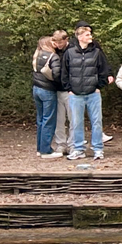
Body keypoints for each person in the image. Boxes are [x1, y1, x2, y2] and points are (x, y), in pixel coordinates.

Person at [61, 22, 113, 161]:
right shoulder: (69, 53)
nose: (91, 36)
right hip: (75, 94)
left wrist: (98, 86)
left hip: (93, 94)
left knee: (96, 122)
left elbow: (103, 70)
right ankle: (78, 149)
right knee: (76, 122)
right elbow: (64, 72)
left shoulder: (96, 52)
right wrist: (69, 89)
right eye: (87, 34)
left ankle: (98, 149)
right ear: (80, 37)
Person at [31, 36, 61, 158]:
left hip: (36, 88)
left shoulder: (37, 55)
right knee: (48, 120)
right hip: (48, 90)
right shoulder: (53, 57)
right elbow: (57, 74)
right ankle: (46, 150)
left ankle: (40, 148)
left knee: (40, 119)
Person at [49, 29, 74, 157]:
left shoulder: (72, 50)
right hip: (57, 89)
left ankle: (72, 144)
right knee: (59, 119)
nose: (58, 44)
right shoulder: (53, 52)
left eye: (60, 42)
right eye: (56, 42)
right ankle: (61, 144)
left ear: (66, 40)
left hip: (70, 89)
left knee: (72, 118)